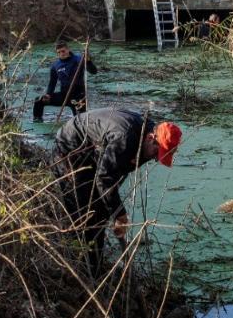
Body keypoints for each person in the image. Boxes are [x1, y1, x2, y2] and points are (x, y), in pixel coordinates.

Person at [53, 108, 182, 276]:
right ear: (151, 139)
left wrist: (113, 210)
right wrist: (119, 213)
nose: (157, 158)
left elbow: (118, 172)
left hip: (95, 151)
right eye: (157, 153)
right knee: (82, 212)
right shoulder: (125, 139)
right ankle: (77, 269)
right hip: (70, 147)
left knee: (100, 211)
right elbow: (104, 179)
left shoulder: (146, 139)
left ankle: (94, 266)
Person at [33, 41, 99, 123]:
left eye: (63, 51)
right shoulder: (55, 65)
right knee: (38, 100)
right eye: (59, 52)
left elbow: (94, 71)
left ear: (68, 50)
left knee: (81, 122)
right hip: (64, 96)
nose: (61, 54)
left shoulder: (79, 59)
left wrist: (88, 61)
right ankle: (37, 121)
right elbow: (52, 82)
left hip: (78, 97)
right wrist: (48, 94)